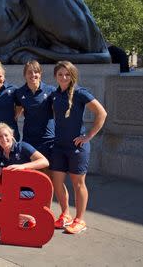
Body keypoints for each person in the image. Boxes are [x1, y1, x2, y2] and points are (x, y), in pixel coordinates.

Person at [50, 61, 107, 234]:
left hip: (77, 147)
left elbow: (102, 113)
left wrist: (88, 136)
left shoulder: (81, 93)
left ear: (72, 75)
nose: (64, 77)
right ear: (55, 76)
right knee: (57, 182)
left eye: (67, 74)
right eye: (60, 74)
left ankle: (80, 220)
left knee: (78, 183)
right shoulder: (54, 94)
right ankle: (65, 214)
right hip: (59, 146)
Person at [0, 123, 49, 227]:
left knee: (3, 200)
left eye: (6, 135)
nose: (4, 138)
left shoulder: (22, 147)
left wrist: (23, 166)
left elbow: (45, 161)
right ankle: (20, 218)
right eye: (0, 136)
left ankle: (25, 218)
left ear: (12, 135)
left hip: (29, 190)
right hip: (12, 191)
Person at [14, 61, 55, 171]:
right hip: (29, 139)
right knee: (32, 174)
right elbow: (16, 114)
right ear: (25, 75)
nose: (33, 75)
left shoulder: (51, 91)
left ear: (40, 73)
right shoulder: (19, 92)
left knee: (50, 174)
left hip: (48, 139)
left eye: (36, 72)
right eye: (29, 72)